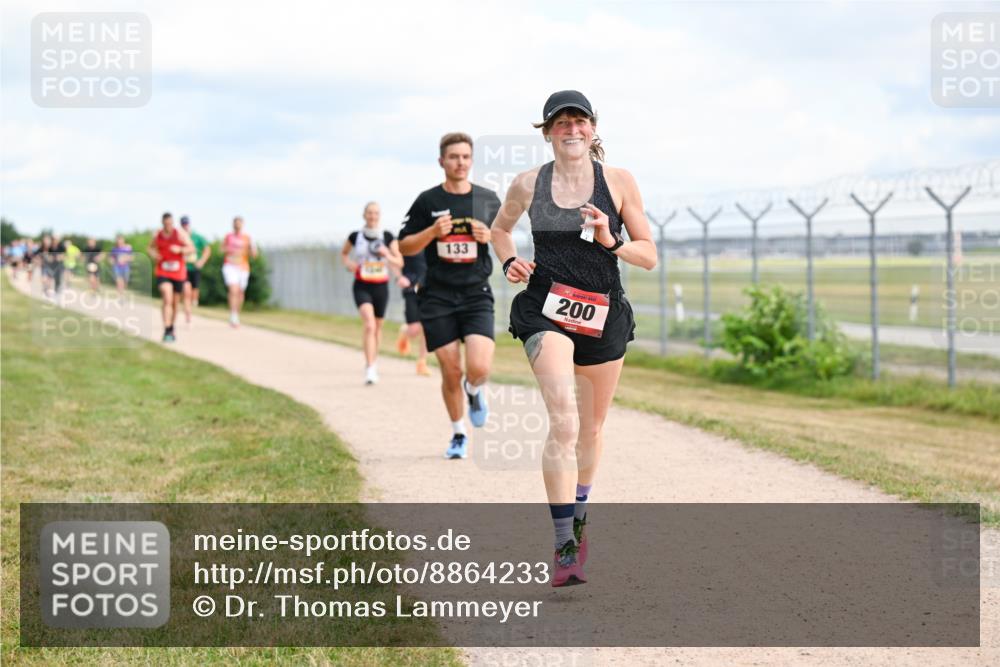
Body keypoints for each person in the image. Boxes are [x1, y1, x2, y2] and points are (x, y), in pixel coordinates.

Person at [490, 91, 657, 586]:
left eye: (578, 120)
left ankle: (579, 518)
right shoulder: (527, 183)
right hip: (547, 311)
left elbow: (649, 255)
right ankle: (564, 544)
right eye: (560, 122)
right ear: (547, 132)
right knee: (563, 419)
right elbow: (499, 231)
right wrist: (509, 261)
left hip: (604, 314)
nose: (570, 129)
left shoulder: (619, 182)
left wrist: (611, 240)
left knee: (590, 428)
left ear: (592, 128)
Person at [398, 132, 501, 460]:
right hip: (437, 295)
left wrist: (490, 236)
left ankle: (475, 392)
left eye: (465, 157)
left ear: (472, 160)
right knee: (450, 369)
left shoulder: (487, 199)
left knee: (479, 367)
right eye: (454, 157)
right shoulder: (427, 201)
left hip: (475, 293)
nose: (460, 162)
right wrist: (431, 232)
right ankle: (458, 433)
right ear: (442, 161)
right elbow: (404, 245)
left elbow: (505, 238)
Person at [341, 202, 404, 384]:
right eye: (369, 213)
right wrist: (349, 264)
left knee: (377, 326)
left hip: (381, 287)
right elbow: (344, 254)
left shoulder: (387, 236)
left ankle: (373, 362)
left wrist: (387, 254)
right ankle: (369, 368)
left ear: (380, 215)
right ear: (364, 215)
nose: (372, 216)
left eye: (376, 213)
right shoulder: (355, 236)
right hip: (362, 285)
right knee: (369, 324)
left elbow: (399, 262)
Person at [147, 212, 194, 342]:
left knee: (174, 302)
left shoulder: (180, 234)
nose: (168, 226)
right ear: (162, 223)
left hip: (178, 272)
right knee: (167, 297)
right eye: (166, 224)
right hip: (163, 270)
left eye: (170, 224)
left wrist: (180, 249)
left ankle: (171, 328)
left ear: (173, 223)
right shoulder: (158, 235)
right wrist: (154, 254)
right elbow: (149, 248)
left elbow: (192, 248)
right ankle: (167, 328)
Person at [395, 252, 432, 376]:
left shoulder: (433, 240)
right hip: (411, 289)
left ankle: (422, 363)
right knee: (414, 330)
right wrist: (399, 276)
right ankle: (405, 332)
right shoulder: (406, 239)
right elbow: (394, 260)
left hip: (429, 290)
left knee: (427, 327)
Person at [222, 216, 258, 327]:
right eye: (235, 223)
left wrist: (251, 249)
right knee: (233, 290)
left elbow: (254, 255)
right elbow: (221, 249)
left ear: (242, 225)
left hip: (243, 267)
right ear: (233, 225)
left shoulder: (247, 238)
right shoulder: (228, 236)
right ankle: (233, 315)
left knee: (240, 293)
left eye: (239, 223)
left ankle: (236, 314)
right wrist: (230, 250)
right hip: (230, 266)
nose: (237, 225)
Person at [180, 215, 211, 324]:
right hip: (183, 268)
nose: (185, 227)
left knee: (194, 291)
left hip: (195, 267)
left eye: (186, 224)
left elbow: (207, 249)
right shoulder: (179, 237)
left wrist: (201, 261)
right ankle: (188, 314)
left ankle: (193, 304)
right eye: (183, 225)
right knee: (186, 291)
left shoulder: (197, 237)